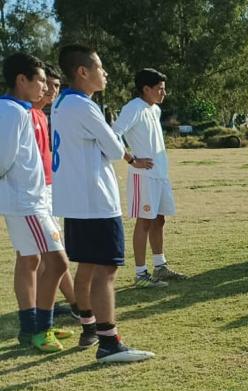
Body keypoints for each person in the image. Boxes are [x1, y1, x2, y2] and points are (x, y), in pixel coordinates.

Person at [51, 44, 154, 362]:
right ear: (82, 71)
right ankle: (110, 342)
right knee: (107, 269)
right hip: (95, 200)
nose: (105, 73)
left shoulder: (61, 103)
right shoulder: (84, 106)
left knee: (88, 266)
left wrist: (128, 156)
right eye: (99, 67)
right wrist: (129, 156)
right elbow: (112, 148)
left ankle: (89, 327)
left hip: (75, 200)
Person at [1, 52, 74, 352]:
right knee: (57, 262)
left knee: (32, 260)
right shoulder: (11, 112)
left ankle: (30, 328)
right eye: (41, 81)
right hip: (26, 203)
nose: (45, 87)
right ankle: (42, 329)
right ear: (22, 80)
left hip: (33, 200)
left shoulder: (20, 110)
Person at [114, 68, 185, 285]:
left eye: (164, 89)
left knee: (159, 219)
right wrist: (132, 160)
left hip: (160, 175)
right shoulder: (133, 108)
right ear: (146, 89)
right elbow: (113, 134)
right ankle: (140, 274)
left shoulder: (154, 110)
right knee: (144, 222)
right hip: (142, 176)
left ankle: (160, 266)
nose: (164, 93)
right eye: (160, 89)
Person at [33, 63, 79, 316]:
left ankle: (47, 306)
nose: (51, 90)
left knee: (47, 257)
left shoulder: (43, 115)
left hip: (50, 191)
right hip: (35, 195)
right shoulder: (25, 113)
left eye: (57, 86)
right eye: (47, 84)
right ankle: (76, 306)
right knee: (52, 256)